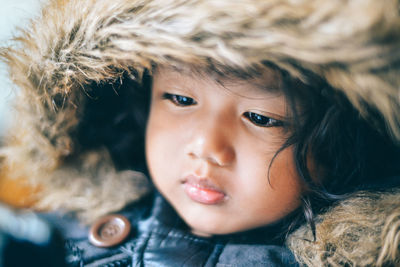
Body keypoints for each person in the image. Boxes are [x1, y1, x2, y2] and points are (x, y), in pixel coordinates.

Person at [0, 0, 400, 266]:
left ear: (342, 147)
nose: (206, 147)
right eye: (180, 99)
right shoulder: (70, 227)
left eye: (260, 118)